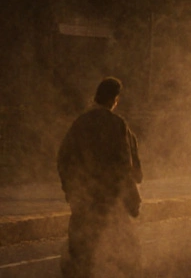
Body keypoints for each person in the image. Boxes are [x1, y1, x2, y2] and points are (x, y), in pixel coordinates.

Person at [57, 77, 143, 278]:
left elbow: (63, 158)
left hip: (83, 202)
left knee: (79, 255)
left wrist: (71, 190)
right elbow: (124, 166)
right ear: (114, 100)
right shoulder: (117, 125)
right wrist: (133, 198)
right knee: (125, 256)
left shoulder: (79, 124)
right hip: (111, 203)